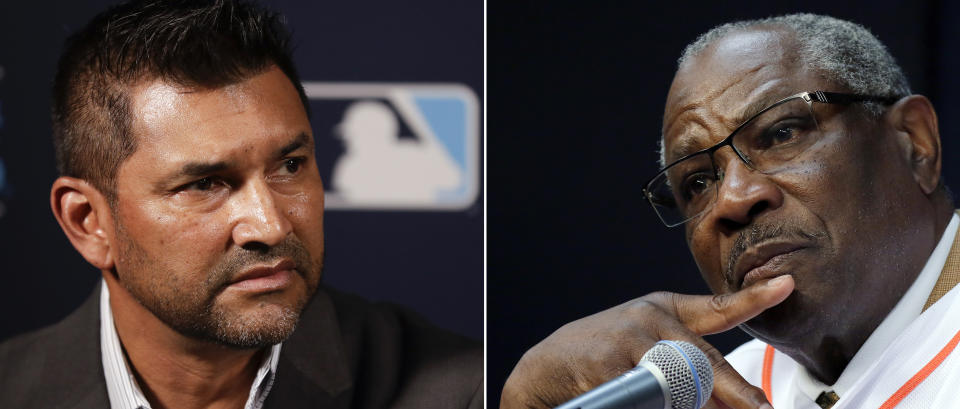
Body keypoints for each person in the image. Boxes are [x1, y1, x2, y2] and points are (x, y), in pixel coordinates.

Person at [0, 1, 481, 408]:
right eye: (205, 184)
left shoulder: (463, 390)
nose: (270, 226)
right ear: (89, 223)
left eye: (290, 166)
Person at [502, 13, 960, 409]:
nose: (733, 200)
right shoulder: (694, 394)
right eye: (698, 183)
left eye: (782, 134)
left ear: (914, 142)